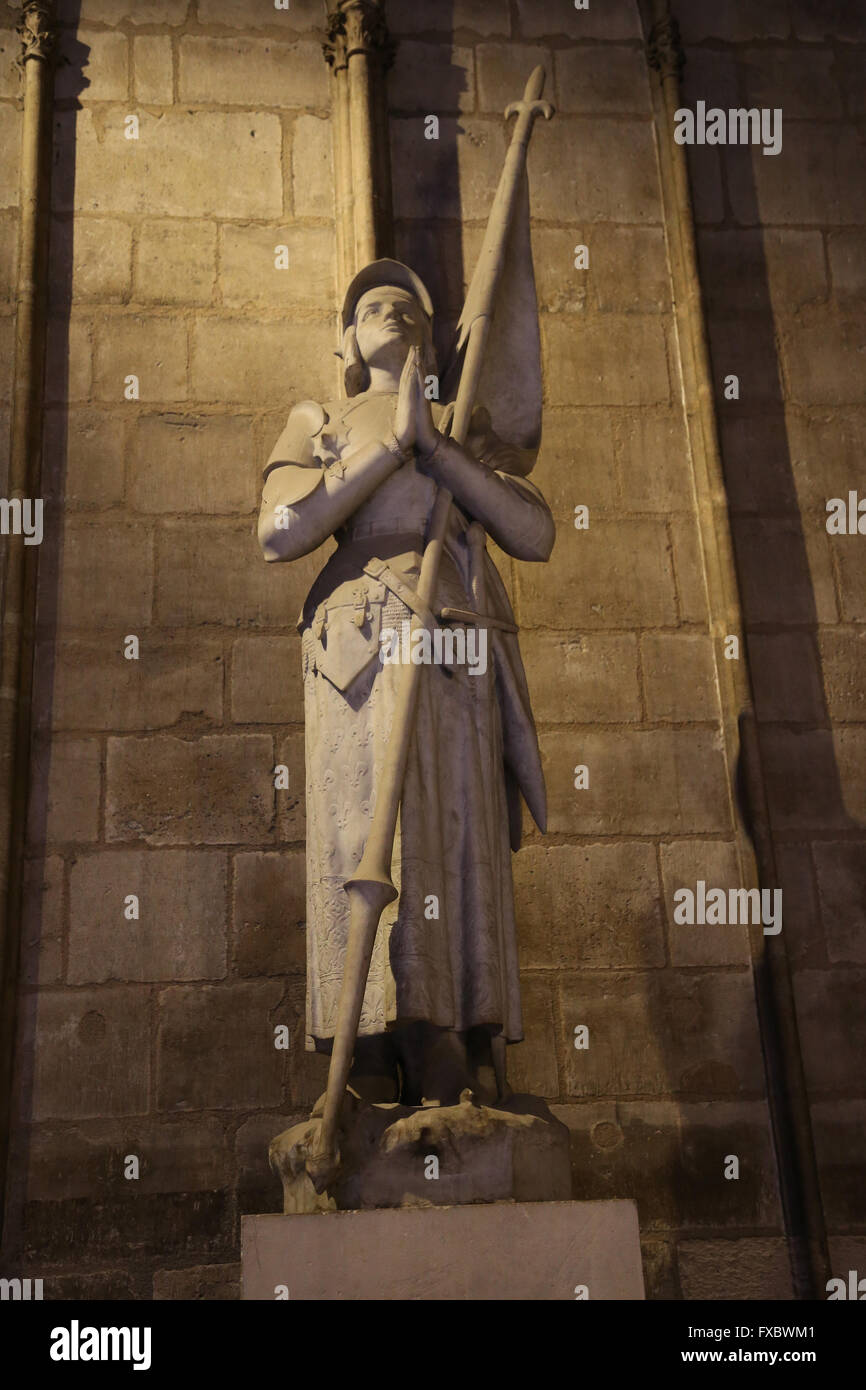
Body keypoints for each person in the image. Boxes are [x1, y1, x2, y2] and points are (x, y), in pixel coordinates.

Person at [258, 259, 554, 1108]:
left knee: (450, 826)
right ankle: (369, 1042)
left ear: (428, 337)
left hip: (451, 636)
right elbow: (280, 533)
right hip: (357, 642)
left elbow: (532, 531)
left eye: (405, 306)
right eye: (369, 306)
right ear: (347, 339)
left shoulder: (460, 426)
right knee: (362, 828)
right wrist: (390, 448)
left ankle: (448, 1033)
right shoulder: (318, 419)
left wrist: (438, 450)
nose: (388, 311)